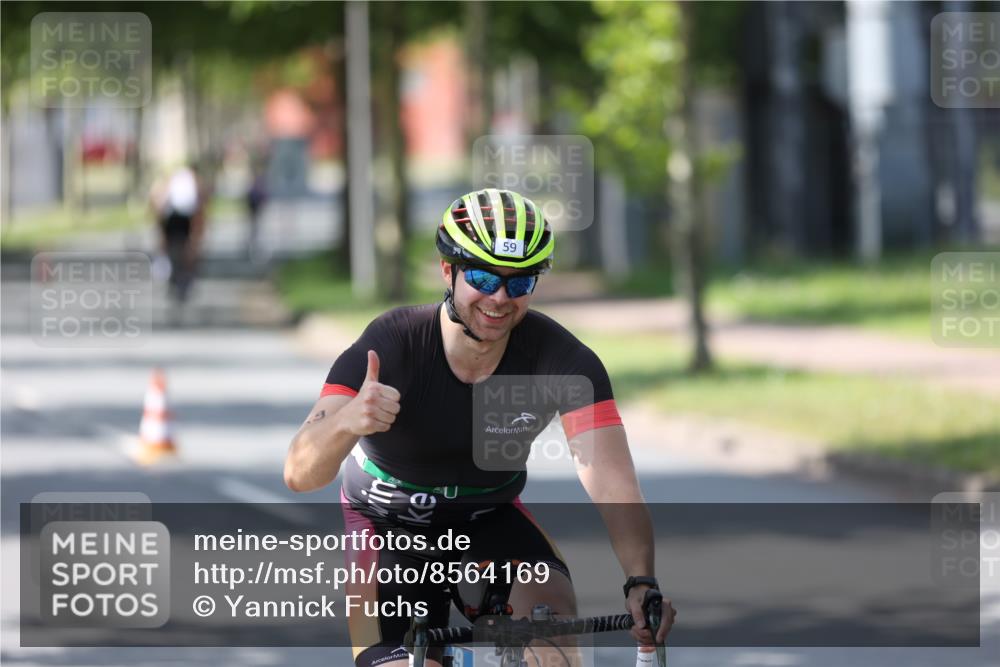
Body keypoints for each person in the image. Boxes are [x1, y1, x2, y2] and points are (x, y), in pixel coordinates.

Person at [284, 188, 675, 667]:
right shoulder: (393, 345)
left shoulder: (563, 361)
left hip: (486, 519)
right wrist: (346, 422)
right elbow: (299, 472)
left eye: (519, 283)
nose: (499, 298)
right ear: (448, 271)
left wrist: (641, 581)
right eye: (484, 276)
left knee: (552, 639)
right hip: (388, 526)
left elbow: (613, 482)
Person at [150, 163, 206, 307]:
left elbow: (158, 205)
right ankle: (181, 278)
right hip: (183, 221)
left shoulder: (171, 184)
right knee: (184, 250)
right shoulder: (193, 184)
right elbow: (200, 208)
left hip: (173, 220)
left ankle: (178, 278)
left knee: (175, 250)